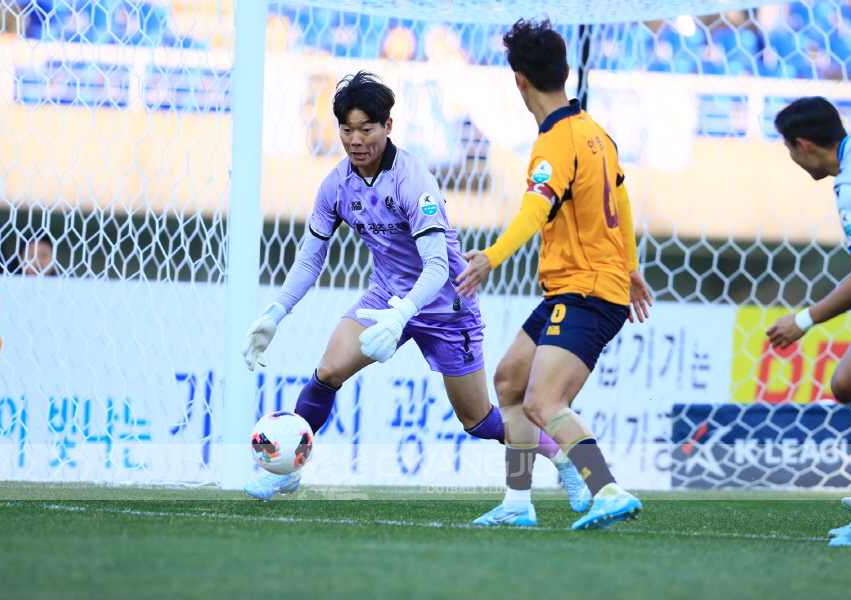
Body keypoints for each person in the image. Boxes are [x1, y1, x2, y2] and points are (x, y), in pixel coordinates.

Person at [241, 70, 590, 506]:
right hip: (386, 296)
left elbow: (438, 266)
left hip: (447, 305)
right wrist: (275, 313)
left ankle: (565, 459)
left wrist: (402, 314)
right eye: (347, 130)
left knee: (479, 420)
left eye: (366, 129)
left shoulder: (413, 180)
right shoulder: (335, 186)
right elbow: (311, 259)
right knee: (328, 372)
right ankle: (287, 471)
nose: (355, 140)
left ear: (388, 126)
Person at [454, 18, 652, 530]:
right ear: (565, 72)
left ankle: (606, 488)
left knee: (544, 400)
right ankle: (517, 504)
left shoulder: (555, 143)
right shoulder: (595, 133)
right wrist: (631, 266)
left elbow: (533, 211)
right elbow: (622, 199)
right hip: (579, 287)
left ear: (519, 80)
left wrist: (491, 256)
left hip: (587, 290)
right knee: (509, 382)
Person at [764, 97, 851, 546]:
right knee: (850, 384)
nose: (792, 159)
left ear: (804, 145)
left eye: (788, 149)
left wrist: (803, 320)